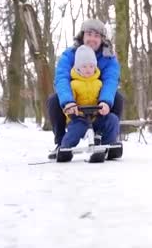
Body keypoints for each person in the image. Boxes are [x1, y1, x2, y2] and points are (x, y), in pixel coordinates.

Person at [47, 18, 123, 152]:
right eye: (89, 34)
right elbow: (61, 78)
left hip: (97, 103)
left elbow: (111, 81)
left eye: (97, 36)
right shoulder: (69, 55)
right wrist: (68, 102)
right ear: (83, 36)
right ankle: (61, 142)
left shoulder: (109, 58)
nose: (92, 39)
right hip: (76, 102)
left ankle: (107, 139)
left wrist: (105, 102)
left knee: (117, 98)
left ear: (102, 39)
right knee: (54, 100)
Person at [55, 45, 120, 162]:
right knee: (75, 130)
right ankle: (65, 148)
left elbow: (104, 95)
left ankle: (110, 146)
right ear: (78, 68)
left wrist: (104, 105)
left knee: (112, 120)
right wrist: (70, 109)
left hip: (96, 116)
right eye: (84, 66)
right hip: (79, 117)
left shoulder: (99, 83)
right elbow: (70, 101)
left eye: (91, 66)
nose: (88, 69)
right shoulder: (74, 84)